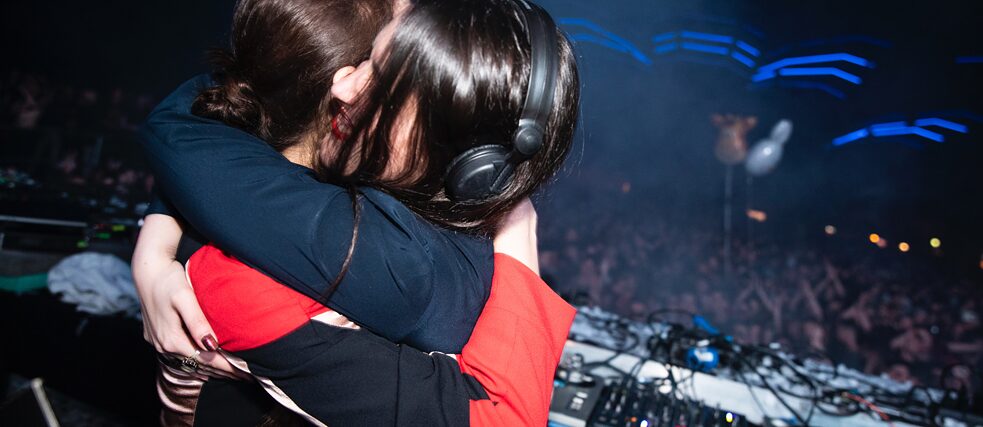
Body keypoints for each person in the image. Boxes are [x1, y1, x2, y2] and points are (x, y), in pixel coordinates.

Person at [134, 0, 580, 424]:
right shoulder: (460, 237)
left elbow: (187, 131)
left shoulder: (396, 265)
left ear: (469, 164)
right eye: (368, 58)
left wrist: (162, 248)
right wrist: (158, 238)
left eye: (381, 85)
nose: (342, 84)